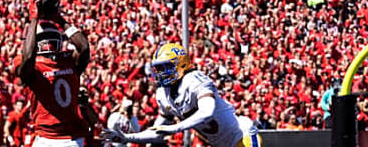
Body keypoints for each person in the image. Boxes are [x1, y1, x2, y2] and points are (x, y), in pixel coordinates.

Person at [102, 43, 261, 147]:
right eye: (158, 69)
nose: (161, 73)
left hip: (242, 137)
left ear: (181, 64)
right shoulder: (163, 94)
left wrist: (175, 128)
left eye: (165, 67)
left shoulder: (194, 79)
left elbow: (207, 111)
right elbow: (158, 131)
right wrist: (128, 138)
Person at [16, 0, 90, 147]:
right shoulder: (67, 61)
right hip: (54, 138)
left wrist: (55, 19)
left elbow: (84, 47)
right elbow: (83, 47)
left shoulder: (66, 61)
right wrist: (57, 20)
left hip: (62, 138)